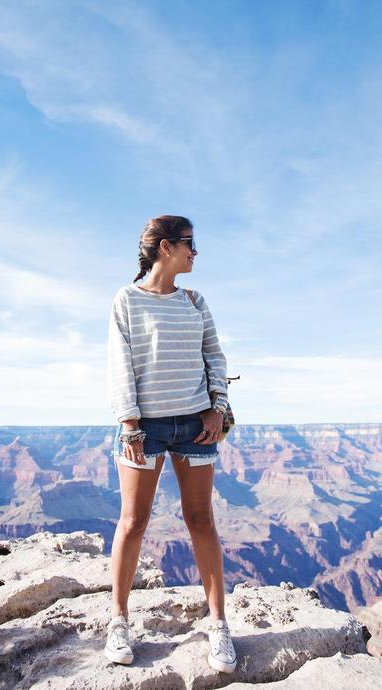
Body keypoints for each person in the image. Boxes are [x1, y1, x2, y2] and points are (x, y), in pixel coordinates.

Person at [104, 215, 237, 673]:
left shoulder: (195, 301)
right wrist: (130, 423)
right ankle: (118, 620)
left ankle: (218, 625)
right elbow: (119, 364)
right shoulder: (127, 300)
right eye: (189, 244)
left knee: (201, 520)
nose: (195, 252)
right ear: (165, 247)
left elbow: (214, 355)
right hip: (147, 427)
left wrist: (218, 405)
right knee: (133, 521)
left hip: (196, 424)